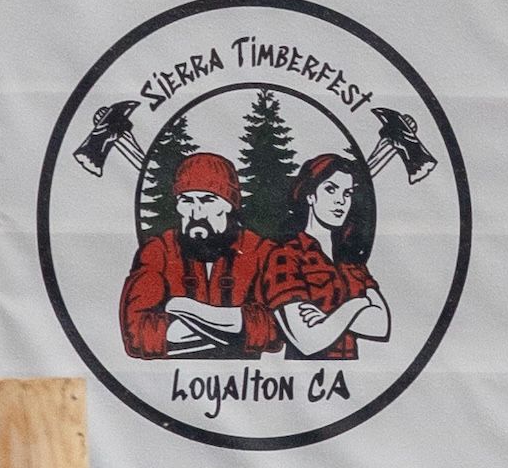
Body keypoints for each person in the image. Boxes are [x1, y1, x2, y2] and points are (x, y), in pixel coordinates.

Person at [116, 151, 265, 357]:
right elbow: (137, 332)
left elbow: (275, 327)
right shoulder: (158, 251)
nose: (196, 213)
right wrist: (237, 327)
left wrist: (184, 308)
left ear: (229, 204)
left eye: (207, 200)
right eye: (186, 201)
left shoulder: (259, 250)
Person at [252, 152, 391, 361]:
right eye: (331, 190)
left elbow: (382, 326)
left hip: (351, 378)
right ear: (310, 195)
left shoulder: (350, 260)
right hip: (302, 380)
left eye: (347, 193)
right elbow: (307, 340)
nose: (340, 201)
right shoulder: (285, 255)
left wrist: (327, 317)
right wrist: (358, 304)